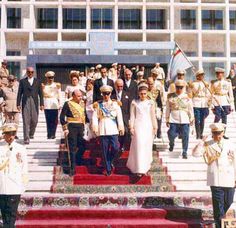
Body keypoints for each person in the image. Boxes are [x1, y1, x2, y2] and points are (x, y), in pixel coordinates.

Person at [192, 123, 236, 228]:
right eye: (215, 133)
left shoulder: (230, 144)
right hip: (216, 178)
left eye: (219, 133)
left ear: (223, 132)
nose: (217, 135)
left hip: (229, 178)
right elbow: (196, 154)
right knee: (218, 205)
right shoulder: (207, 144)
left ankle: (219, 220)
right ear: (212, 133)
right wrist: (201, 142)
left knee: (228, 201)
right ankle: (219, 224)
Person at [0, 123, 28, 228]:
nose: (10, 136)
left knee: (11, 215)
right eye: (8, 134)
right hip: (2, 185)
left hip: (14, 186)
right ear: (4, 134)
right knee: (4, 214)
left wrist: (23, 186)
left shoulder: (20, 148)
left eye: (13, 134)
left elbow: (24, 168)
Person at [92, 85, 124, 176]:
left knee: (116, 148)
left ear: (110, 94)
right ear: (102, 94)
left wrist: (121, 127)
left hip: (113, 129)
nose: (106, 95)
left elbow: (119, 116)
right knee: (104, 150)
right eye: (104, 94)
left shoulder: (116, 104)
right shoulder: (98, 105)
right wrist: (95, 127)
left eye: (108, 93)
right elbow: (95, 117)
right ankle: (108, 168)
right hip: (102, 129)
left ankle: (109, 160)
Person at [127, 83, 157, 176]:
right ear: (138, 93)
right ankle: (138, 168)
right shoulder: (134, 102)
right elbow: (132, 116)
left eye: (144, 93)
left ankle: (145, 168)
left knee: (146, 147)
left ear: (147, 93)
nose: (143, 95)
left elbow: (153, 116)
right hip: (138, 126)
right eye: (141, 93)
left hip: (148, 126)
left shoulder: (151, 103)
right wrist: (131, 127)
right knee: (138, 146)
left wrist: (155, 127)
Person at [60, 89, 86, 176]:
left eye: (81, 96)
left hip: (81, 126)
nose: (80, 98)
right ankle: (72, 168)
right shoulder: (68, 103)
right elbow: (61, 116)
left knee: (82, 146)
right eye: (78, 96)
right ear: (73, 96)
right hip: (72, 126)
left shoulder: (82, 103)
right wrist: (65, 128)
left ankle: (77, 159)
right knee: (72, 147)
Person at [166, 79, 194, 159]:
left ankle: (184, 151)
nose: (179, 89)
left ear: (183, 87)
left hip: (184, 119)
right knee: (171, 134)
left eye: (181, 87)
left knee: (185, 135)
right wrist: (167, 119)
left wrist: (191, 118)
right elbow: (168, 108)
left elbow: (190, 108)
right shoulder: (171, 96)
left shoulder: (187, 97)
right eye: (177, 87)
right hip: (173, 119)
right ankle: (171, 143)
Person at [17, 67, 44, 144]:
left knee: (35, 120)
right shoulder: (22, 81)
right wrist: (18, 104)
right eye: (29, 72)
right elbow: (19, 93)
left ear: (34, 72)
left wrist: (42, 104)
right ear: (26, 72)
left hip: (35, 102)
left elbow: (41, 94)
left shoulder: (38, 81)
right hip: (25, 102)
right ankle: (26, 138)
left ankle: (31, 134)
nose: (30, 73)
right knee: (26, 120)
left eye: (32, 72)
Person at [211, 67, 234, 139]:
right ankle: (214, 132)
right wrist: (211, 104)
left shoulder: (228, 82)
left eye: (220, 74)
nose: (218, 75)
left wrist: (232, 105)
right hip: (217, 101)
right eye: (217, 74)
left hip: (225, 101)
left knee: (224, 118)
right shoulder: (213, 83)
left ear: (223, 74)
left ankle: (223, 133)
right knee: (217, 117)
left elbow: (230, 94)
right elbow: (211, 94)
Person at [188, 69, 211, 139]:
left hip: (203, 103)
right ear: (197, 76)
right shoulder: (193, 84)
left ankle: (201, 133)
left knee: (202, 119)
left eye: (203, 75)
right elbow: (190, 94)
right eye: (201, 75)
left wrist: (208, 101)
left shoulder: (206, 84)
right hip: (196, 102)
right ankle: (198, 134)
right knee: (197, 120)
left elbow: (207, 94)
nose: (202, 76)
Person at [42, 71, 62, 139]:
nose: (51, 79)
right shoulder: (44, 86)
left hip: (54, 103)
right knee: (48, 120)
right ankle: (49, 134)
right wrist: (41, 104)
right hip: (47, 104)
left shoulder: (57, 85)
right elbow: (42, 96)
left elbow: (59, 95)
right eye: (49, 77)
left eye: (52, 78)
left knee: (55, 120)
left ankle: (53, 133)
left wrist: (60, 104)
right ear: (47, 78)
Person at [114, 79, 131, 152]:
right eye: (118, 86)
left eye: (121, 86)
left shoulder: (127, 94)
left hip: (125, 117)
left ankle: (122, 145)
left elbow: (129, 107)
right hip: (115, 117)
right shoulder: (111, 95)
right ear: (115, 86)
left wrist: (129, 118)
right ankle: (117, 145)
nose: (120, 88)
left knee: (126, 132)